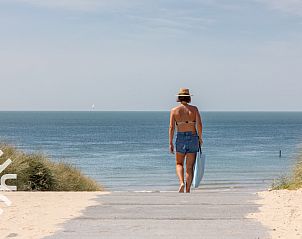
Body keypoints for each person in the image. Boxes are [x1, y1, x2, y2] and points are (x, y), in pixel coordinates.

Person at [169, 88, 203, 193]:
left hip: (180, 137)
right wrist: (200, 138)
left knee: (179, 163)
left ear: (179, 98)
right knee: (189, 167)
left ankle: (181, 183)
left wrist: (170, 142)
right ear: (189, 98)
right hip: (193, 136)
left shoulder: (174, 110)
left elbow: (171, 127)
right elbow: (199, 124)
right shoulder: (194, 109)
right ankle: (187, 190)